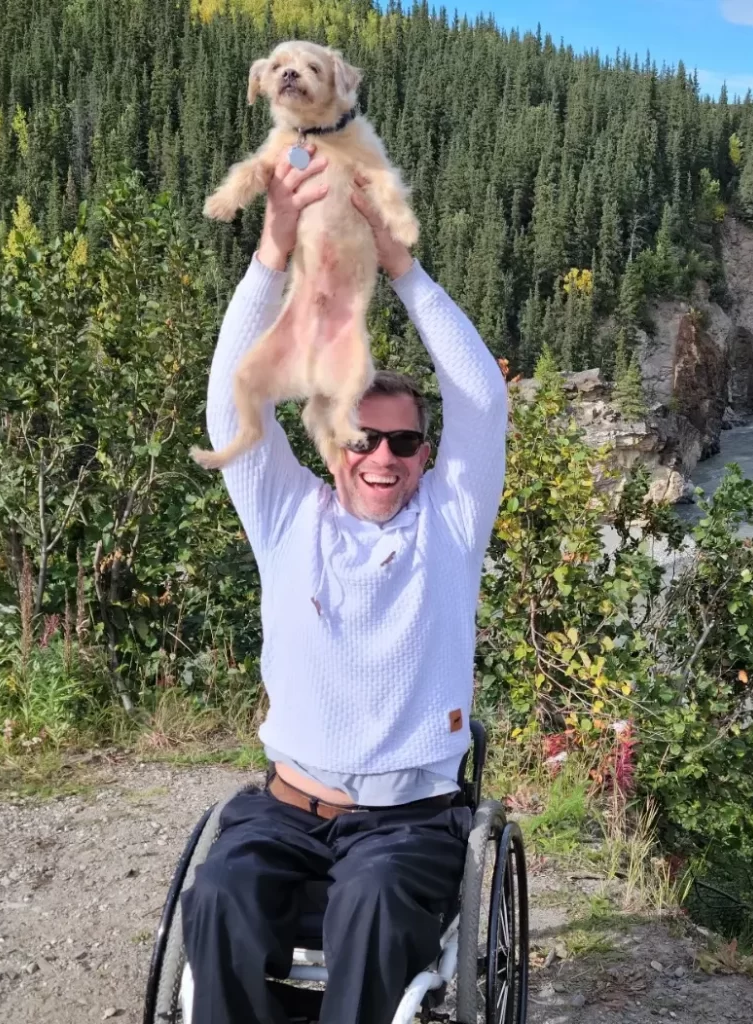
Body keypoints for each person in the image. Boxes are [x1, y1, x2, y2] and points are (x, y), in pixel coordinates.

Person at [180, 144, 508, 1024]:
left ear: (426, 457)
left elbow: (480, 397)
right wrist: (273, 251)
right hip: (287, 810)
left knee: (368, 905)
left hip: (407, 824)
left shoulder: (449, 523)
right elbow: (228, 401)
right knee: (218, 895)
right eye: (361, 439)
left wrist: (399, 264)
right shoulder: (289, 516)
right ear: (330, 448)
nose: (381, 457)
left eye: (403, 442)